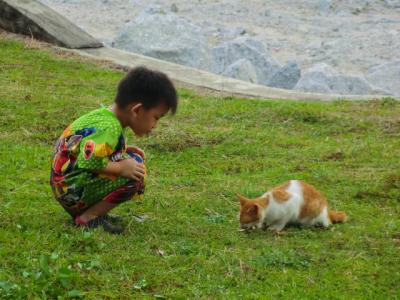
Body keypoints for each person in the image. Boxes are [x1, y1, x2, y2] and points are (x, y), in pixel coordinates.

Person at [50, 66, 178, 234]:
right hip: (70, 190)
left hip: (66, 184)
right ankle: (88, 217)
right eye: (156, 117)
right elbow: (88, 160)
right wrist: (121, 168)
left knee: (131, 159)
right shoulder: (109, 128)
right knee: (137, 173)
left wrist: (122, 151)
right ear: (137, 110)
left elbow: (88, 149)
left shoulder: (104, 117)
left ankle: (93, 212)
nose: (155, 125)